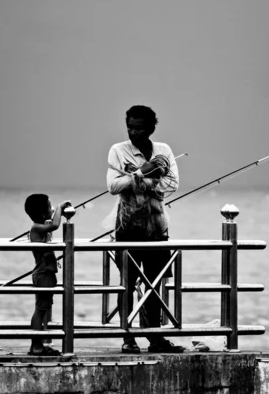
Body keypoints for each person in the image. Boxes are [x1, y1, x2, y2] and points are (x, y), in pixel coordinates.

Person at [106, 105, 185, 354]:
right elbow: (113, 185)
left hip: (157, 227)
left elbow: (173, 182)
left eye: (139, 128)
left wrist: (138, 178)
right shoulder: (118, 151)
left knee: (155, 283)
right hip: (127, 227)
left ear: (151, 128)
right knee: (127, 284)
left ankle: (155, 337)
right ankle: (128, 337)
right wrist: (144, 172)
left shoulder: (164, 150)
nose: (134, 132)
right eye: (130, 127)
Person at [24, 193, 71, 356]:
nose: (53, 209)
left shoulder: (41, 226)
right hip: (43, 274)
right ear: (43, 213)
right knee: (40, 310)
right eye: (50, 207)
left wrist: (55, 213)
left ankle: (41, 343)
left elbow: (50, 226)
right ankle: (36, 346)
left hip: (47, 273)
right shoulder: (36, 228)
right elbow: (55, 225)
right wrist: (60, 208)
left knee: (44, 309)